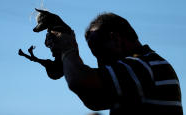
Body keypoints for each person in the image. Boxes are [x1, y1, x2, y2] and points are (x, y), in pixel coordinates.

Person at [45, 13, 183, 115]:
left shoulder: (142, 66)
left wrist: (68, 49)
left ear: (115, 39)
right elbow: (93, 99)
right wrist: (66, 55)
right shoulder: (148, 65)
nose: (99, 63)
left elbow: (80, 81)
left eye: (100, 53)